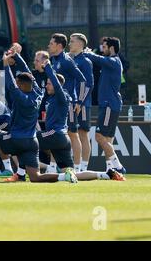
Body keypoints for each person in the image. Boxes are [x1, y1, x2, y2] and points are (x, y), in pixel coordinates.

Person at [0, 51, 78, 183]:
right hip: (32, 142)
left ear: (20, 85)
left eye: (18, 82)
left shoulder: (20, 97)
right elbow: (28, 73)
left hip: (16, 139)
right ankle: (62, 176)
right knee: (35, 177)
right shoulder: (38, 93)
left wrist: (5, 64)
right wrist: (17, 56)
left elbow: (11, 84)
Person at [37, 59, 124, 181]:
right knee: (72, 173)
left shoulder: (61, 96)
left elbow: (56, 84)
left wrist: (48, 68)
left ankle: (22, 171)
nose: (47, 85)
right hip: (61, 138)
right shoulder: (52, 98)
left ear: (57, 85)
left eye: (49, 83)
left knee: (29, 140)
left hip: (56, 134)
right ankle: (106, 175)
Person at [84, 37, 126, 174]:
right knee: (108, 139)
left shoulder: (113, 61)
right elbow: (100, 60)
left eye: (104, 46)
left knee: (99, 136)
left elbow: (99, 59)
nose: (103, 49)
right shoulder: (111, 62)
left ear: (111, 48)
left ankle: (118, 166)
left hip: (109, 105)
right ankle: (111, 168)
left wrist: (87, 52)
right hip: (110, 104)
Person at [47, 33, 89, 173]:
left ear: (59, 46)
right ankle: (53, 167)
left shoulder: (66, 60)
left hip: (68, 103)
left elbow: (83, 80)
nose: (49, 45)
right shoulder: (54, 60)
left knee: (72, 133)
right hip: (56, 102)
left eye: (51, 43)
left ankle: (76, 169)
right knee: (54, 133)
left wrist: (79, 101)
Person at [68, 34, 94, 172]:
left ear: (80, 44)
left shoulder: (85, 61)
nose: (69, 44)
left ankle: (84, 167)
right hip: (72, 102)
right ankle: (75, 164)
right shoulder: (70, 59)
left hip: (82, 104)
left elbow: (89, 84)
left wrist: (81, 101)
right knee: (72, 133)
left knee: (83, 133)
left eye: (72, 41)